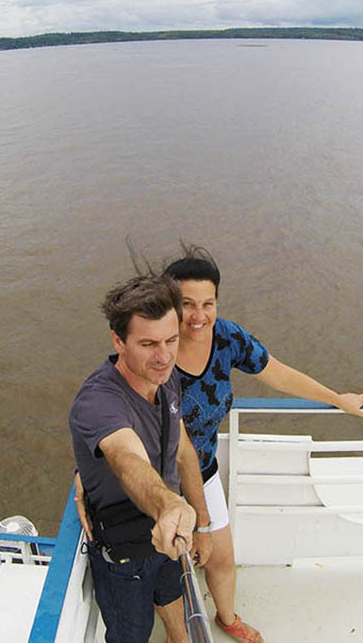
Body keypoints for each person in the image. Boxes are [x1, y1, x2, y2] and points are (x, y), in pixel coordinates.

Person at [165, 245, 363, 643]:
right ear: (168, 303)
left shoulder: (226, 337)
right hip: (159, 479)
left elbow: (277, 373)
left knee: (222, 558)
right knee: (170, 569)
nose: (198, 316)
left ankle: (227, 618)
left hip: (204, 470)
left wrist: (336, 398)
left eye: (207, 303)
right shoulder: (159, 347)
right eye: (186, 304)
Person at [69, 273, 214, 643]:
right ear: (118, 340)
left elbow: (180, 448)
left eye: (171, 340)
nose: (164, 356)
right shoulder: (98, 402)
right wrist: (168, 506)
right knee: (131, 633)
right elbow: (126, 457)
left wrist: (201, 522)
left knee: (172, 596)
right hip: (126, 550)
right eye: (148, 343)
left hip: (169, 536)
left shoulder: (165, 376)